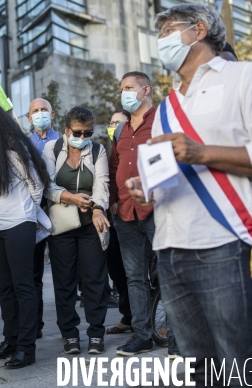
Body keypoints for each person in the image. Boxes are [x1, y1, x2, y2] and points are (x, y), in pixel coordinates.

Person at [128, 4, 252, 385]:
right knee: (198, 367)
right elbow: (174, 172)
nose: (162, 41)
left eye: (170, 29)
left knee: (242, 362)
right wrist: (147, 189)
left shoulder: (245, 76)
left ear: (199, 29)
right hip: (170, 247)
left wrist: (203, 153)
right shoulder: (169, 105)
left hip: (224, 242)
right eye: (159, 34)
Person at [0, 98, 49, 369]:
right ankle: (11, 340)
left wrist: (25, 214)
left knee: (23, 286)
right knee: (4, 288)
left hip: (19, 224)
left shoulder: (14, 147)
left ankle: (27, 348)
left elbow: (35, 186)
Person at [108, 71, 180, 357]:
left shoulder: (163, 122)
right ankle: (142, 336)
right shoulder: (121, 130)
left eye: (129, 87)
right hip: (125, 212)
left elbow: (174, 159)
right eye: (121, 88)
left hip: (158, 209)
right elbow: (114, 167)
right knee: (134, 276)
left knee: (169, 274)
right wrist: (113, 200)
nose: (124, 92)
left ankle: (177, 336)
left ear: (145, 90)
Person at [42, 105, 110, 355]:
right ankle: (69, 334)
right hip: (62, 225)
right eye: (78, 133)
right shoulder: (52, 149)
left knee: (95, 280)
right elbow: (46, 185)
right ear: (66, 129)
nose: (83, 138)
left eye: (88, 133)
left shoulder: (97, 150)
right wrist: (70, 197)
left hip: (91, 225)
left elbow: (102, 183)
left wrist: (98, 208)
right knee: (64, 282)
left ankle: (96, 333)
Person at [27, 97, 60, 338]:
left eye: (44, 110)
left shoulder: (64, 141)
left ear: (52, 113)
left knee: (63, 271)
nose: (40, 114)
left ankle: (67, 326)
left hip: (59, 209)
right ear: (29, 118)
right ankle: (35, 324)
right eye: (35, 111)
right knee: (33, 272)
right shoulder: (23, 143)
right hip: (32, 213)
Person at [105, 109, 133, 335]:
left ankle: (143, 317)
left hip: (133, 216)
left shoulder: (132, 146)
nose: (113, 126)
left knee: (134, 271)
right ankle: (128, 316)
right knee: (116, 270)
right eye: (111, 122)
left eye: (118, 122)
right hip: (112, 219)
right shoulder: (109, 151)